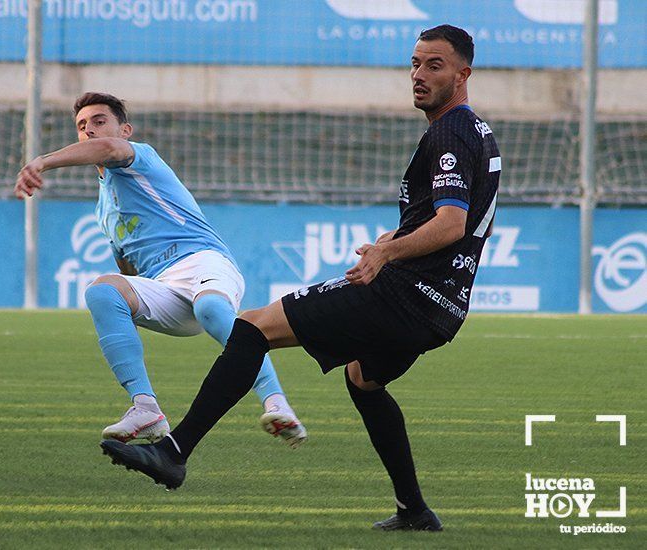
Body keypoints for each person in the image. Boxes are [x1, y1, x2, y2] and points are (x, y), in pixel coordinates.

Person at [101, 25, 500, 532]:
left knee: (251, 328)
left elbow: (452, 223)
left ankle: (174, 452)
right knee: (364, 379)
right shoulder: (478, 134)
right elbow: (463, 221)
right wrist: (396, 238)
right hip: (442, 308)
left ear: (464, 74)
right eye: (415, 64)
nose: (419, 75)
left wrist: (386, 254)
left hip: (402, 295)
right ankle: (414, 510)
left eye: (434, 66)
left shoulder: (450, 131)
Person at [15, 92, 307, 448]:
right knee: (102, 290)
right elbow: (128, 268)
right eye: (81, 125)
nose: (89, 130)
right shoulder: (104, 211)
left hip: (204, 262)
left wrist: (41, 162)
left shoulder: (140, 156)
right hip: (165, 287)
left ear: (125, 130)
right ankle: (145, 409)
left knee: (212, 308)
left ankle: (277, 403)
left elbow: (108, 150)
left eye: (99, 121)